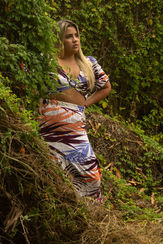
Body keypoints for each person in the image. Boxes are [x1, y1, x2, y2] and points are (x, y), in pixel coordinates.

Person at [38, 19, 111, 203]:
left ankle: (90, 211)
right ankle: (65, 212)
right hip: (50, 129)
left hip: (76, 127)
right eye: (69, 36)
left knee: (92, 176)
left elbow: (106, 86)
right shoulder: (46, 60)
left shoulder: (89, 63)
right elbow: (27, 78)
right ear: (59, 40)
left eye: (77, 35)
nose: (75, 40)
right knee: (55, 175)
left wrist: (85, 104)